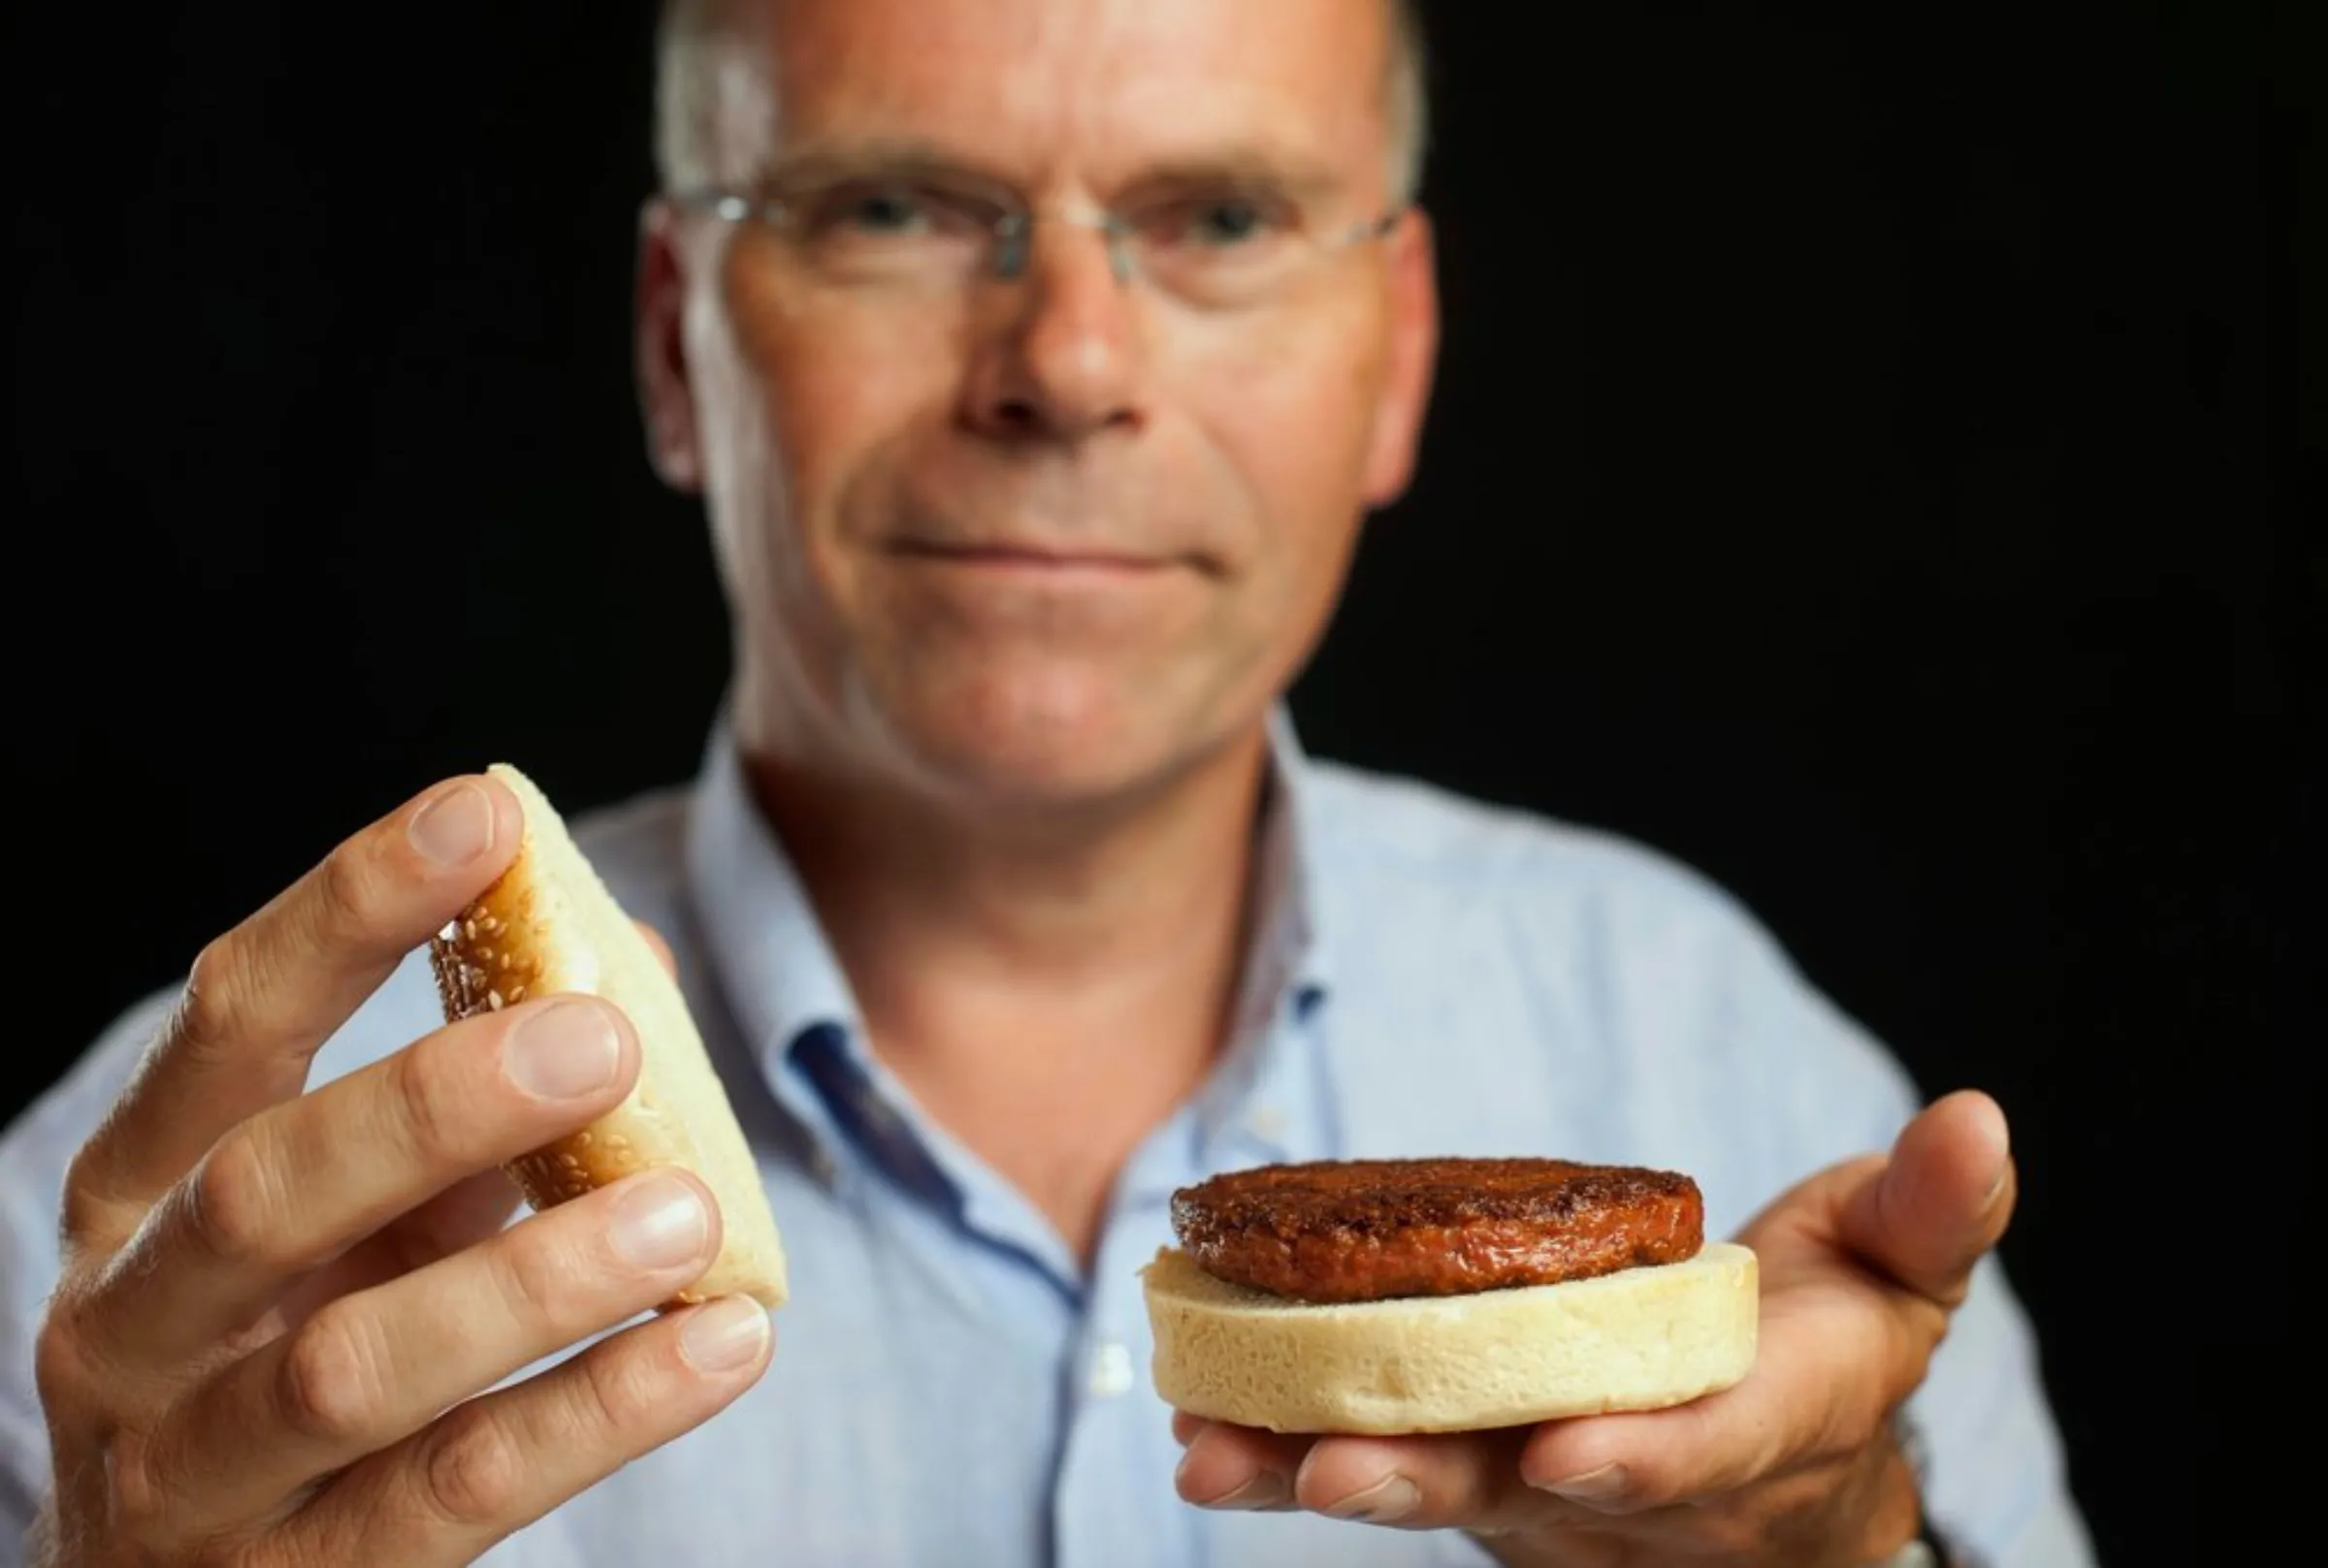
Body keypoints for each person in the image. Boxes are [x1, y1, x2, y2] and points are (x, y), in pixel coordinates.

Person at [0, 1, 2097, 1563]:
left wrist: (1849, 1547)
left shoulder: (1729, 1061)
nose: (1069, 363)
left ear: (1404, 350)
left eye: (1220, 216)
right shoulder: (162, 1272)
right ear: (672, 339)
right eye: (899, 207)